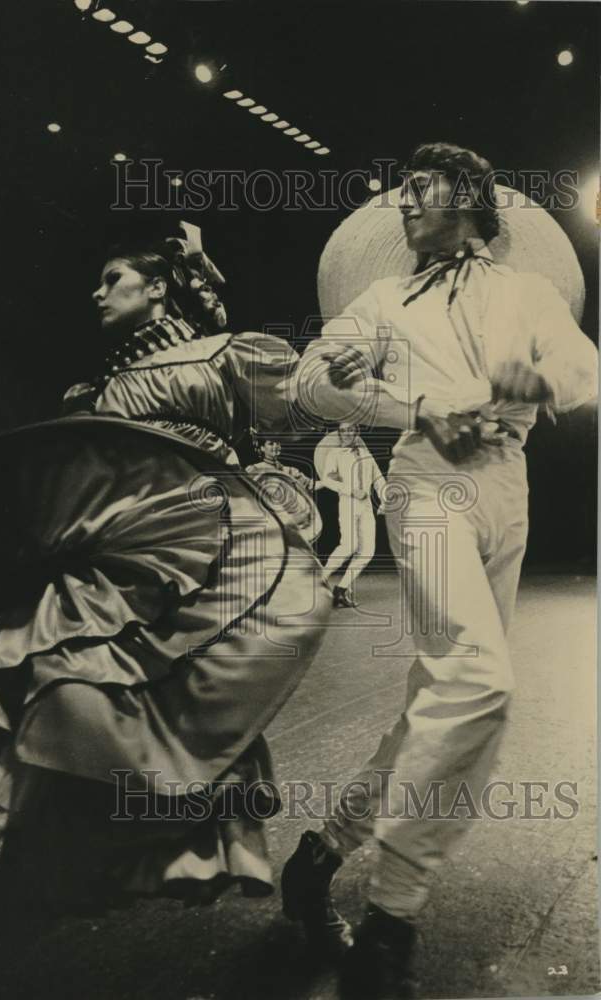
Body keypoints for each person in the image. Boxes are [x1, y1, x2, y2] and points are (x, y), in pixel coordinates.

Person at [0, 222, 331, 911]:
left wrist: (344, 376)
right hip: (112, 557)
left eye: (113, 279)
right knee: (53, 669)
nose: (97, 292)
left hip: (211, 553)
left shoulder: (226, 355)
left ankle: (71, 855)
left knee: (166, 703)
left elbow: (308, 406)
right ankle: (43, 854)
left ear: (160, 288)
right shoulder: (96, 391)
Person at [283, 143, 598, 998]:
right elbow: (307, 380)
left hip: (508, 486)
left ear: (469, 196)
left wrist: (537, 373)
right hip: (426, 488)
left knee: (438, 701)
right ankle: (392, 916)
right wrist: (397, 398)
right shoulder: (383, 299)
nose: (404, 204)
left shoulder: (528, 295)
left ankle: (319, 856)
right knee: (479, 682)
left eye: (418, 188)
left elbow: (584, 367)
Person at [316, 422, 386, 608]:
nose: (346, 434)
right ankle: (318, 580)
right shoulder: (335, 454)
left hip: (366, 506)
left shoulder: (365, 453)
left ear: (357, 432)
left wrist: (385, 500)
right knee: (349, 545)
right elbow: (327, 479)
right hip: (348, 503)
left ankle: (341, 590)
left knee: (367, 551)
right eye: (343, 431)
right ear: (339, 434)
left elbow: (378, 478)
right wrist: (350, 490)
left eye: (350, 430)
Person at [246, 432, 323, 545]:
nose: (275, 446)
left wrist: (333, 481)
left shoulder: (289, 471)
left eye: (277, 443)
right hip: (269, 525)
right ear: (262, 448)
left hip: (293, 526)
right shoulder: (254, 470)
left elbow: (311, 485)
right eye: (271, 443)